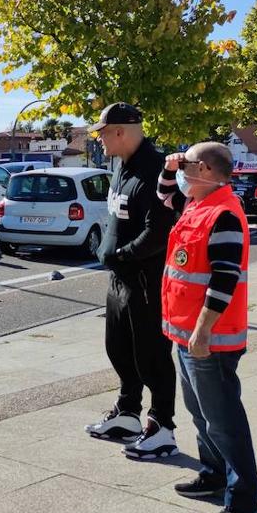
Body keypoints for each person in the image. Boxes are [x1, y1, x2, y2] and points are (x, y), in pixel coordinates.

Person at [159, 142, 257, 513]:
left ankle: (244, 499)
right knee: (201, 415)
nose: (180, 170)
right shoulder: (197, 204)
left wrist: (202, 332)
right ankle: (213, 474)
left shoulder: (223, 214)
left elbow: (224, 279)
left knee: (224, 421)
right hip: (187, 336)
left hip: (210, 341)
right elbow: (163, 195)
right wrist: (170, 168)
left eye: (184, 164)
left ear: (203, 168)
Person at [84, 102, 179, 460]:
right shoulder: (119, 167)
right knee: (119, 348)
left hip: (145, 281)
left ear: (121, 131)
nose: (100, 139)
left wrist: (122, 255)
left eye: (104, 132)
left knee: (152, 356)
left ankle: (162, 427)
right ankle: (127, 414)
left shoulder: (155, 171)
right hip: (119, 279)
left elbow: (159, 232)